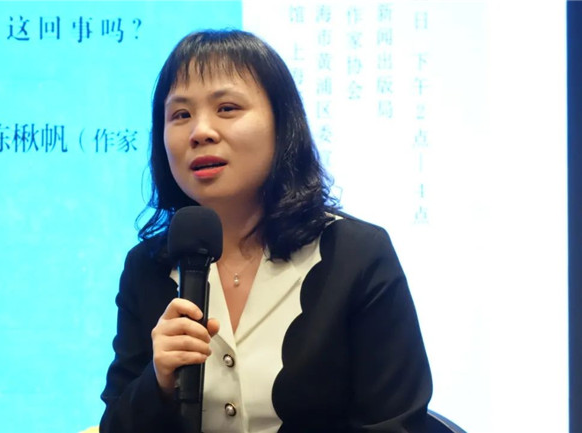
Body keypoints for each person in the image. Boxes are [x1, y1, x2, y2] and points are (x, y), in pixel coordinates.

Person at [100, 29, 432, 433]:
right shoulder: (148, 267)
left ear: (282, 124)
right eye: (180, 115)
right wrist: (158, 383)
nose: (200, 132)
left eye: (226, 108)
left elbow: (398, 422)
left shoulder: (356, 255)